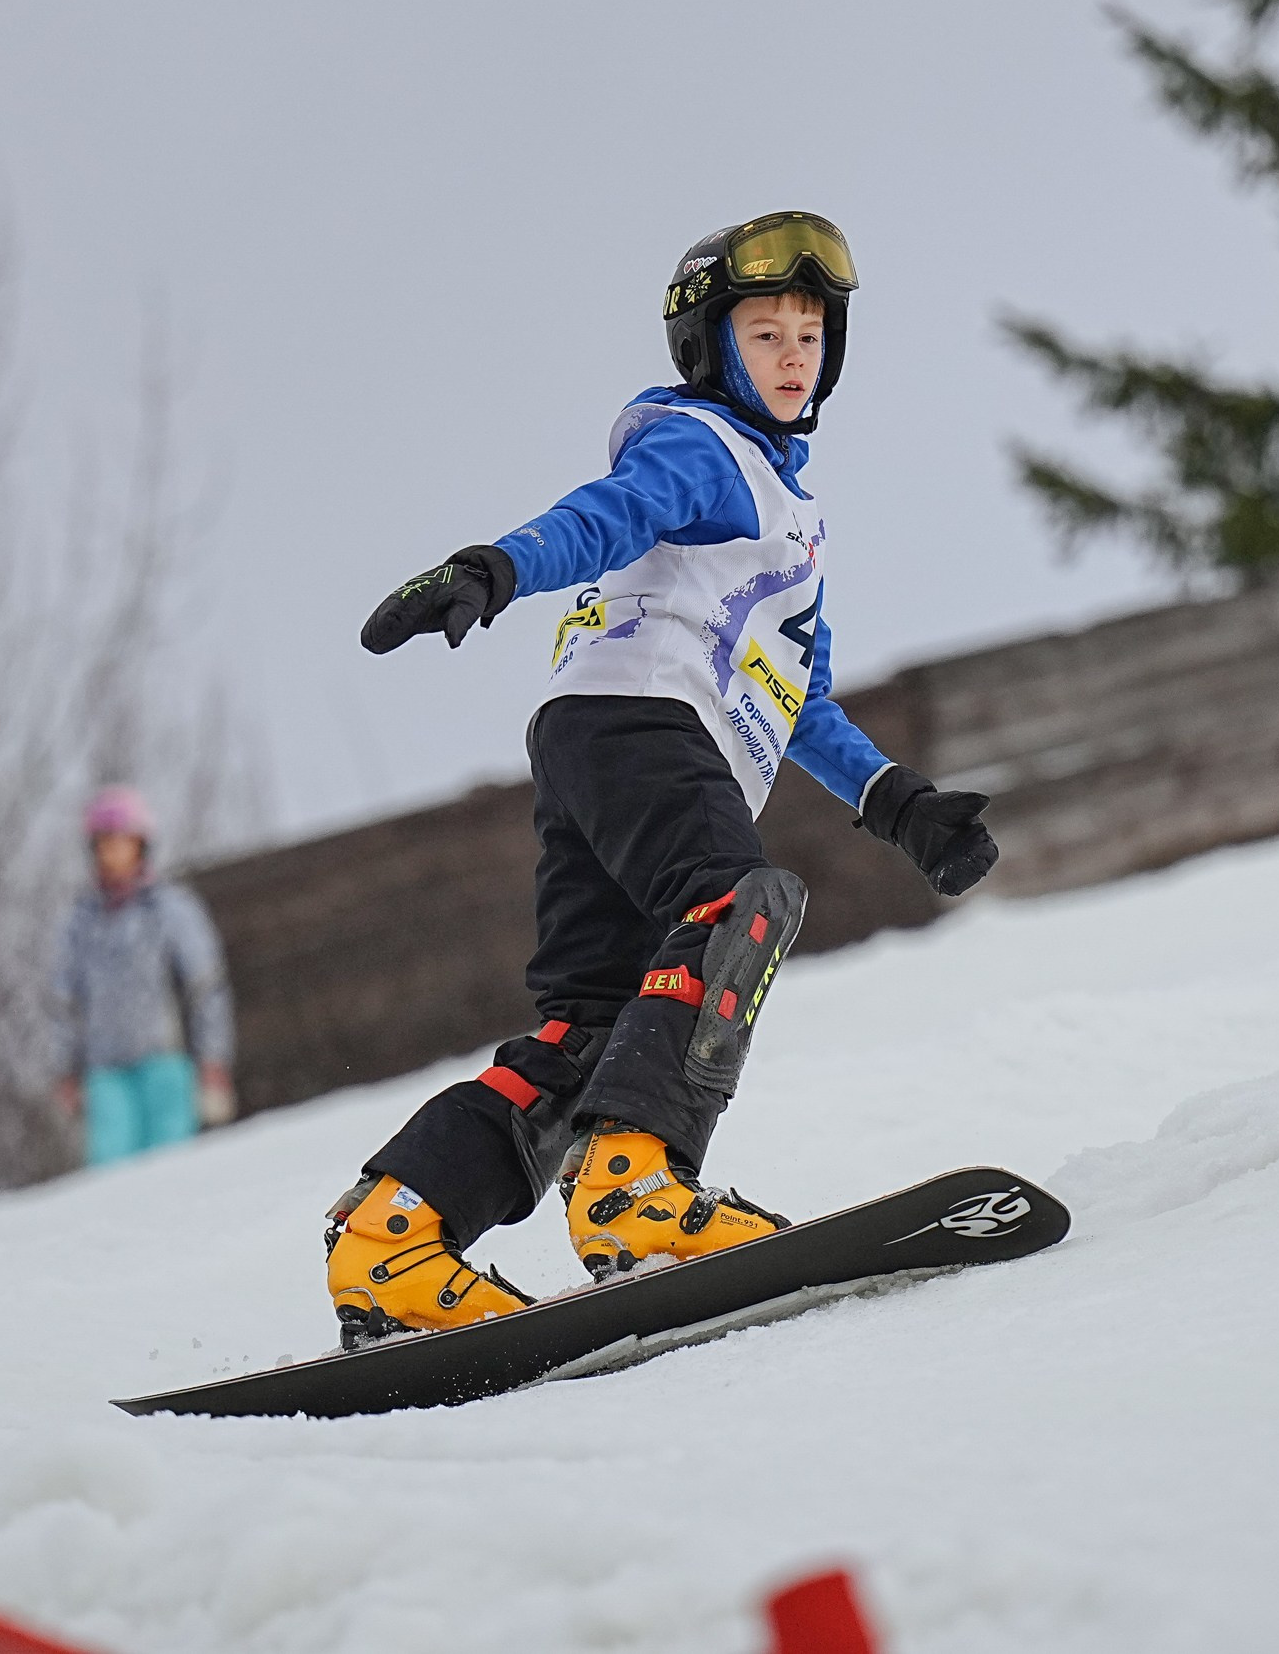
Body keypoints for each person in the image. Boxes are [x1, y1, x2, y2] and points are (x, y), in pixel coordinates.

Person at [321, 211, 1001, 1347]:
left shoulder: (791, 521)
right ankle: (634, 1184)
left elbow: (801, 699)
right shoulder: (700, 448)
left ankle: (396, 1233)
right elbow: (602, 520)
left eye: (810, 336)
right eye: (765, 333)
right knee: (739, 905)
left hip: (599, 739)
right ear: (711, 351)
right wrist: (498, 568)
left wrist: (901, 804)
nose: (793, 356)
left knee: (588, 1027)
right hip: (644, 723)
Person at [49, 786, 237, 1165]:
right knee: (109, 1170)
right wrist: (66, 1068)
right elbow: (65, 1000)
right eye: (103, 844)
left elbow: (205, 986)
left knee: (170, 1167)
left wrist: (212, 1058)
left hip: (164, 1063)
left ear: (140, 845)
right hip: (105, 1071)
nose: (111, 853)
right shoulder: (81, 921)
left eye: (121, 842)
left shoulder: (170, 909)